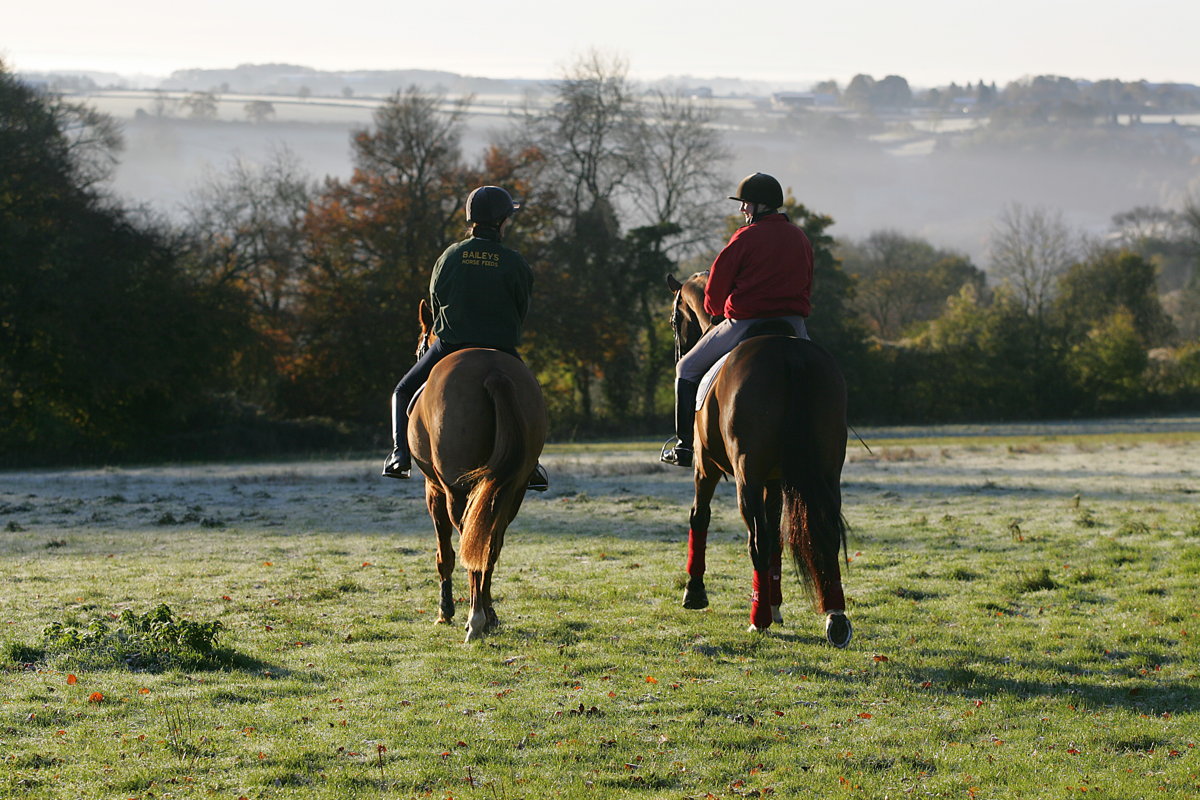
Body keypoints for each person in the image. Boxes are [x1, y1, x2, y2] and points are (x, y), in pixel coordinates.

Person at [383, 185, 548, 490]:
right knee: (530, 393)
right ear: (501, 221)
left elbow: (436, 300)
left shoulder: (451, 256)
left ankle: (399, 456)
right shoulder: (514, 261)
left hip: (452, 344)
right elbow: (521, 306)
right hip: (501, 347)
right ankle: (532, 463)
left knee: (403, 391)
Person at [661, 172, 814, 468]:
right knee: (814, 373)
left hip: (746, 321)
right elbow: (807, 280)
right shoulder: (800, 237)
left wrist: (715, 308)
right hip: (793, 323)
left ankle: (684, 446)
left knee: (686, 368)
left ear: (760, 205)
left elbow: (716, 286)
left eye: (746, 203)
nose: (743, 209)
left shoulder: (745, 237)